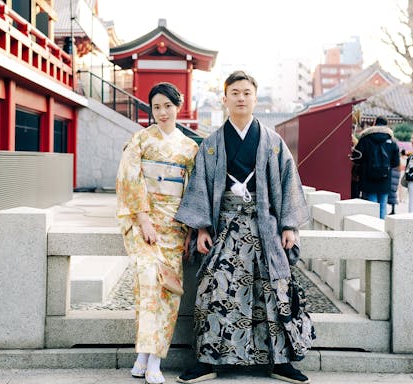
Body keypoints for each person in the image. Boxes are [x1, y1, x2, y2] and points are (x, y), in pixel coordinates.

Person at [174, 71, 314, 384]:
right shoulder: (211, 144)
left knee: (272, 291)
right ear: (224, 99)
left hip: (264, 227)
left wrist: (289, 225)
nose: (240, 98)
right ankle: (209, 359)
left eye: (246, 92)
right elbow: (198, 187)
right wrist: (201, 229)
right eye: (234, 92)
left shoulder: (272, 142)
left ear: (255, 98)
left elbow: (290, 180)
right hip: (224, 226)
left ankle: (279, 360)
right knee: (215, 289)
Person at [116, 82, 199, 384]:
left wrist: (190, 227)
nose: (162, 112)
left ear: (178, 106)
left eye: (168, 105)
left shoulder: (190, 148)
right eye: (156, 107)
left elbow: (193, 190)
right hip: (145, 223)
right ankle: (146, 357)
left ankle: (151, 359)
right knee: (148, 285)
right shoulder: (140, 140)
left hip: (175, 225)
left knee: (168, 290)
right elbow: (129, 178)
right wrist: (143, 217)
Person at [352, 116, 401, 219]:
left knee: (372, 201)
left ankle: (373, 225)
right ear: (386, 125)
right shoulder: (392, 140)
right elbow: (396, 162)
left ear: (374, 123)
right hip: (385, 176)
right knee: (383, 203)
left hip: (368, 175)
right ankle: (382, 225)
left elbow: (357, 157)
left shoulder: (365, 138)